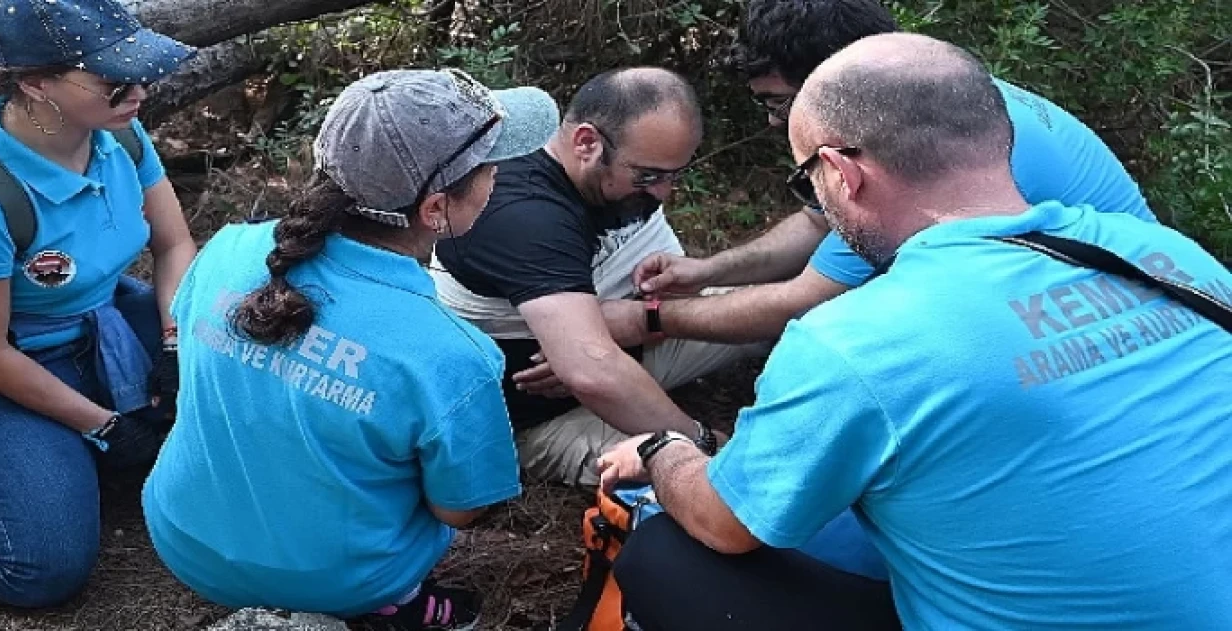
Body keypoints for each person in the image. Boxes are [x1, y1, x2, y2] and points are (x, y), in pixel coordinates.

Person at [598, 33, 1232, 630]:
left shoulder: (857, 340)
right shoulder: (1166, 254)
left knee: (662, 558)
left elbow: (723, 522)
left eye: (807, 184)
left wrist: (662, 451)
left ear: (841, 173)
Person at [142, 69, 559, 628]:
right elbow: (460, 510)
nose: (498, 173)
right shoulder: (454, 355)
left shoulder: (225, 248)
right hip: (339, 581)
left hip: (183, 538)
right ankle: (400, 606)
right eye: (490, 164)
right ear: (436, 209)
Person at [606, 0, 1157, 346]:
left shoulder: (909, 147)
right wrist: (704, 273)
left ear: (837, 82)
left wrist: (649, 322)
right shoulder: (927, 94)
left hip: (1108, 322)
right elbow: (819, 223)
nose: (776, 124)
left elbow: (808, 300)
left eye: (780, 103)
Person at [0, 0, 197, 608]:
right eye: (115, 81)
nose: (139, 91)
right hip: (13, 364)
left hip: (107, 323)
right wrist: (104, 424)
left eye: (141, 71)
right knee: (42, 570)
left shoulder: (120, 132)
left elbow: (174, 245)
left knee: (242, 345)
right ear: (35, 83)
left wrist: (175, 343)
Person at [430, 67, 767, 488]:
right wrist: (699, 441)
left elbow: (649, 316)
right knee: (708, 480)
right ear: (587, 143)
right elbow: (591, 373)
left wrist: (610, 333)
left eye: (672, 176)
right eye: (649, 176)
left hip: (631, 354)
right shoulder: (524, 215)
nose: (663, 192)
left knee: (781, 304)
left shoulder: (616, 181)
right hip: (544, 416)